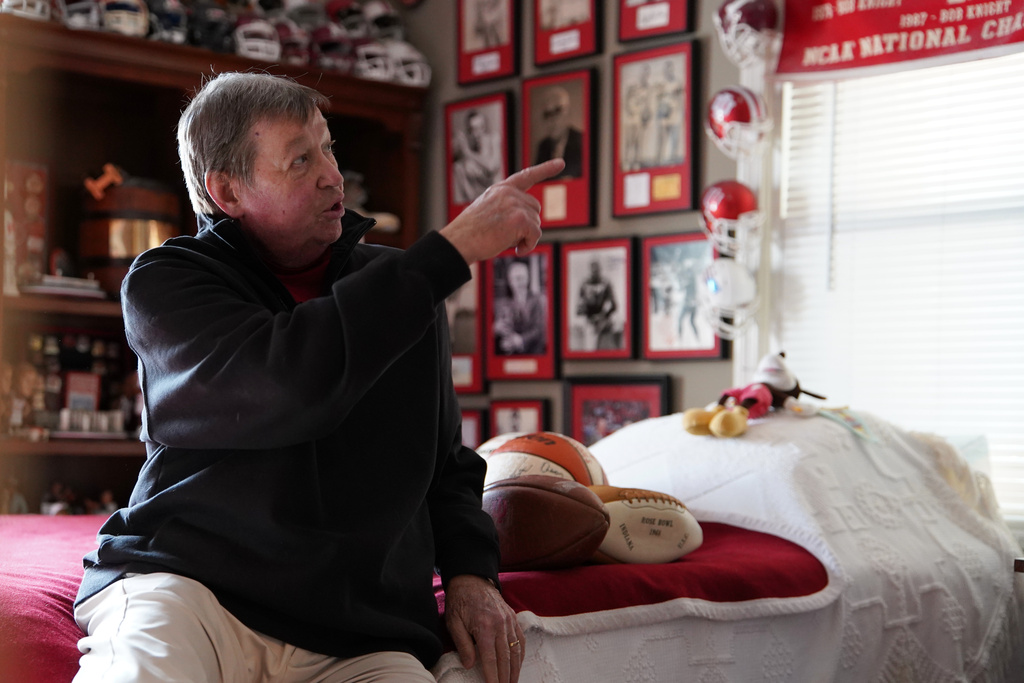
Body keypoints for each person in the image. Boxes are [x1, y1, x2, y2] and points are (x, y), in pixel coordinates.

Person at [72, 71, 565, 683]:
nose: (334, 176)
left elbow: (444, 465)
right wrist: (450, 249)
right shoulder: (165, 283)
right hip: (190, 591)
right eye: (301, 160)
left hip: (357, 631)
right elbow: (289, 384)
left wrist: (472, 575)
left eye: (328, 148)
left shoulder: (403, 289)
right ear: (227, 190)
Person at [492, 259, 547, 356]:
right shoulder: (504, 304)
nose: (521, 282)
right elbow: (501, 330)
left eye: (524, 278)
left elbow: (539, 330)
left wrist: (521, 340)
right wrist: (495, 328)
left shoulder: (537, 300)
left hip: (533, 354)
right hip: (511, 354)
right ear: (510, 281)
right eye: (517, 278)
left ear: (528, 279)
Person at [452, 109, 504, 205]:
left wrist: (467, 152)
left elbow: (491, 166)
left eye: (481, 127)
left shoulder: (494, 138)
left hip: (495, 192)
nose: (478, 133)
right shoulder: (471, 145)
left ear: (485, 126)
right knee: (457, 167)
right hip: (475, 196)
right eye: (473, 129)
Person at [532, 87, 583, 179]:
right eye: (547, 114)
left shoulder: (582, 141)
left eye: (557, 112)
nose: (552, 120)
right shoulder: (543, 147)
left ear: (568, 113)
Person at [575, 259, 618, 351]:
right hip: (589, 323)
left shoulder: (605, 283)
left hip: (603, 323)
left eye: (597, 270)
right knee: (590, 349)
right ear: (590, 271)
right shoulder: (585, 284)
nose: (595, 272)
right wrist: (588, 314)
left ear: (600, 270)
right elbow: (578, 309)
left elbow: (614, 305)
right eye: (593, 270)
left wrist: (602, 316)